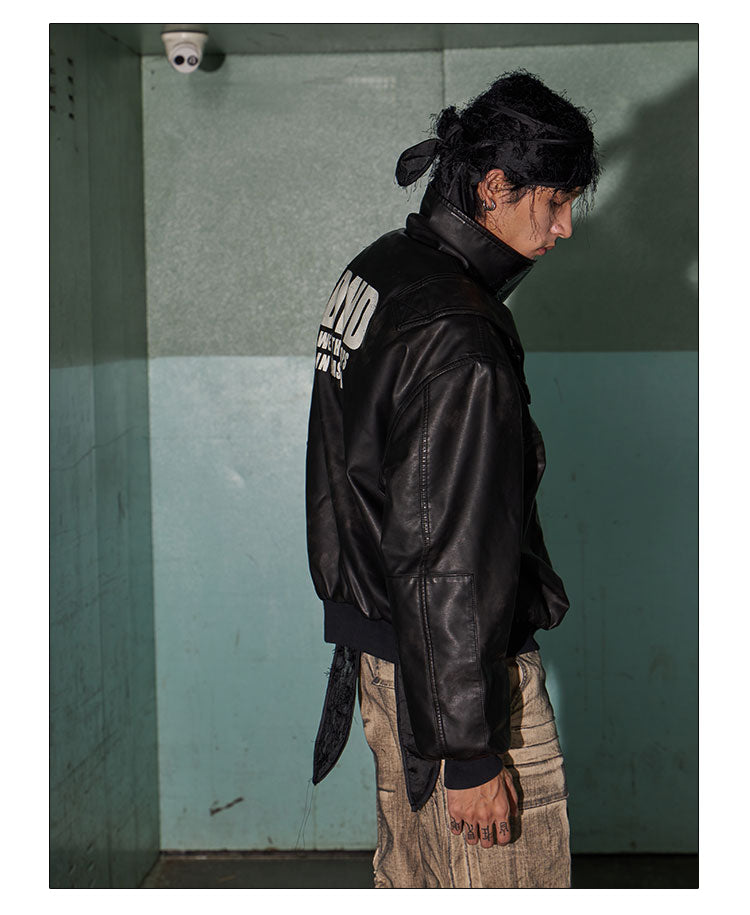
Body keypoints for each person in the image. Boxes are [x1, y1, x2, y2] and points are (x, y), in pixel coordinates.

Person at [305, 69, 600, 889]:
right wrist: (469, 752)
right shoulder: (459, 334)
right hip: (455, 689)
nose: (565, 227)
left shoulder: (379, 271)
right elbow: (447, 554)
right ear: (495, 186)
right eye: (555, 202)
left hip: (392, 660)